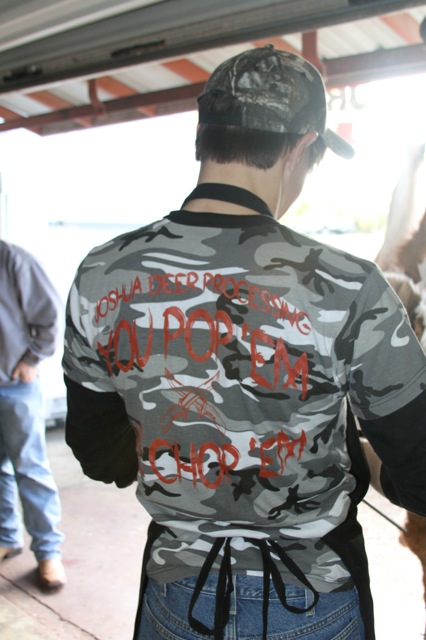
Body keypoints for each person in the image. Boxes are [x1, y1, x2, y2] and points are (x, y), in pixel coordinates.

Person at [62, 45, 426, 640]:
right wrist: (352, 456)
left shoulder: (101, 274)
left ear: (202, 137)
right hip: (312, 600)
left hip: (176, 595)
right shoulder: (347, 286)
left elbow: (97, 454)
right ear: (302, 146)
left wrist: (176, 451)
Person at [0, 240, 66, 589]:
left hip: (14, 384)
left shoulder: (12, 260)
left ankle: (48, 552)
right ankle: (7, 538)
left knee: (30, 468)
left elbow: (50, 315)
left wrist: (31, 359)